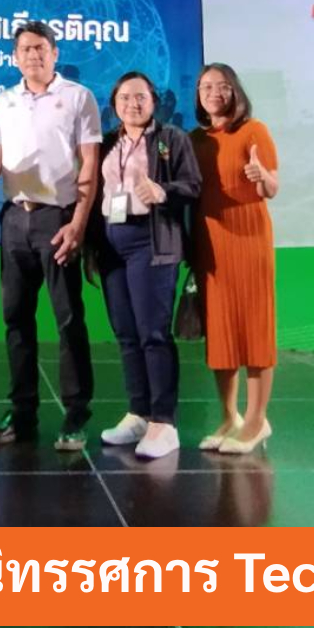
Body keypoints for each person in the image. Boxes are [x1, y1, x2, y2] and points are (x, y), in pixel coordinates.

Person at [0, 20, 101, 451]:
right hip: (14, 219)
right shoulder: (2, 101)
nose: (33, 55)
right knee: (15, 320)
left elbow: (89, 163)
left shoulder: (78, 98)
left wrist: (78, 223)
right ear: (15, 58)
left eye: (41, 47)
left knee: (68, 319)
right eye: (25, 49)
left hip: (58, 219)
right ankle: (22, 410)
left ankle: (76, 413)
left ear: (54, 53)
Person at [86, 72, 200, 460]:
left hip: (151, 241)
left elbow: (193, 185)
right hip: (111, 244)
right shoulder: (107, 143)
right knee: (126, 334)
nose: (132, 104)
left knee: (153, 333)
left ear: (153, 101)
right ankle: (138, 412)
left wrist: (163, 190)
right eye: (124, 97)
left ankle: (163, 422)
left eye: (140, 97)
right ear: (114, 103)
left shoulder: (171, 139)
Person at [190, 63, 280, 455]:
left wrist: (262, 177)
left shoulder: (253, 130)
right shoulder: (195, 138)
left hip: (248, 239)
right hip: (210, 243)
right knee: (222, 332)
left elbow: (273, 187)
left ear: (235, 91)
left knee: (255, 329)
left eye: (222, 86)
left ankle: (258, 420)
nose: (214, 92)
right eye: (206, 86)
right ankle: (230, 417)